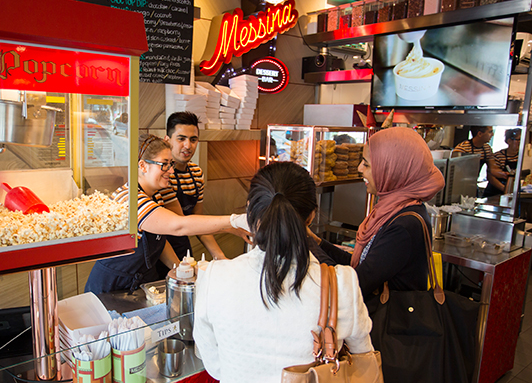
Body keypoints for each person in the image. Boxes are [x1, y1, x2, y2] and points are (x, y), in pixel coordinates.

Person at [193, 162, 373, 383]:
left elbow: (213, 364)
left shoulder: (214, 277)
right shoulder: (341, 283)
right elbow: (364, 361)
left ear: (250, 209)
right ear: (311, 217)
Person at [84, 134, 250, 295]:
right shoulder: (130, 199)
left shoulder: (155, 195)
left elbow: (159, 240)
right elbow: (178, 225)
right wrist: (234, 221)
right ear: (142, 166)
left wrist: (179, 269)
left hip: (139, 283)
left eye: (171, 163)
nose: (171, 170)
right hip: (112, 287)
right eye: (164, 164)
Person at [308, 127, 445, 298]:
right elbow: (359, 265)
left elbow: (358, 284)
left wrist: (309, 246)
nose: (359, 169)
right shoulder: (392, 209)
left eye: (366, 164)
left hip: (390, 320)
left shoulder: (404, 225)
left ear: (393, 170)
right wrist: (317, 241)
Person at [156, 112, 226, 278]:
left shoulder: (197, 173)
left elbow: (198, 220)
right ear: (167, 140)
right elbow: (180, 223)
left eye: (193, 139)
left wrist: (221, 258)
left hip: (182, 249)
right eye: (181, 139)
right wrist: (179, 268)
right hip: (158, 251)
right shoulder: (161, 175)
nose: (187, 145)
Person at [452, 126, 508, 197]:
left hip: (473, 186)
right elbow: (454, 172)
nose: (492, 134)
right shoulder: (462, 148)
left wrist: (505, 174)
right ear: (480, 134)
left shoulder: (487, 149)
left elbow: (493, 169)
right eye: (490, 132)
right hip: (458, 187)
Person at [483, 128, 521, 196]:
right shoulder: (498, 156)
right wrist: (505, 189)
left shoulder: (521, 157)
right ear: (509, 141)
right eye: (518, 140)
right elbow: (491, 176)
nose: (521, 142)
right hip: (494, 193)